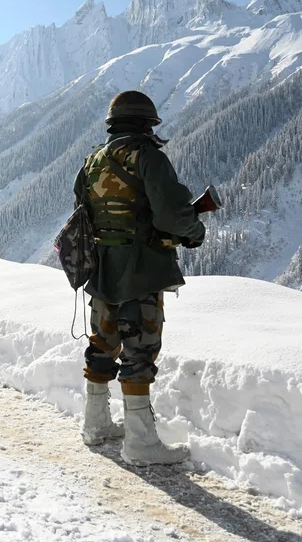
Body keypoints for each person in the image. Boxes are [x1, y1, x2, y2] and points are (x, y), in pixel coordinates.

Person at [74, 90, 205, 467]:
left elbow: (83, 211)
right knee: (140, 349)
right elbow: (171, 214)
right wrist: (194, 231)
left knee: (102, 343)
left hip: (101, 267)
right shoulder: (149, 158)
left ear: (113, 124)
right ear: (148, 124)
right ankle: (141, 443)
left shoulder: (92, 160)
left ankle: (95, 424)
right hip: (141, 269)